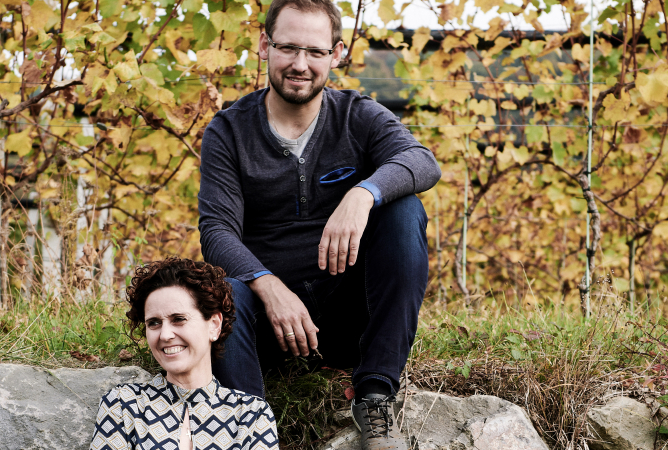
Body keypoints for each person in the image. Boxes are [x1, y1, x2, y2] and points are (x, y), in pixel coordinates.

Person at [197, 0, 442, 447]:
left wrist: (362, 193)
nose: (300, 64)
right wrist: (268, 286)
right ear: (264, 45)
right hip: (267, 323)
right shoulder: (228, 132)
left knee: (403, 210)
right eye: (288, 48)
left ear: (337, 53)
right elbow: (216, 231)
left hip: (350, 317)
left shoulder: (357, 116)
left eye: (314, 51)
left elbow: (422, 162)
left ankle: (374, 393)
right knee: (221, 293)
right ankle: (249, 432)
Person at [90, 258, 279, 450]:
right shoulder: (124, 404)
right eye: (154, 323)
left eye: (179, 319)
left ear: (214, 325)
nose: (165, 335)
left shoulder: (251, 414)